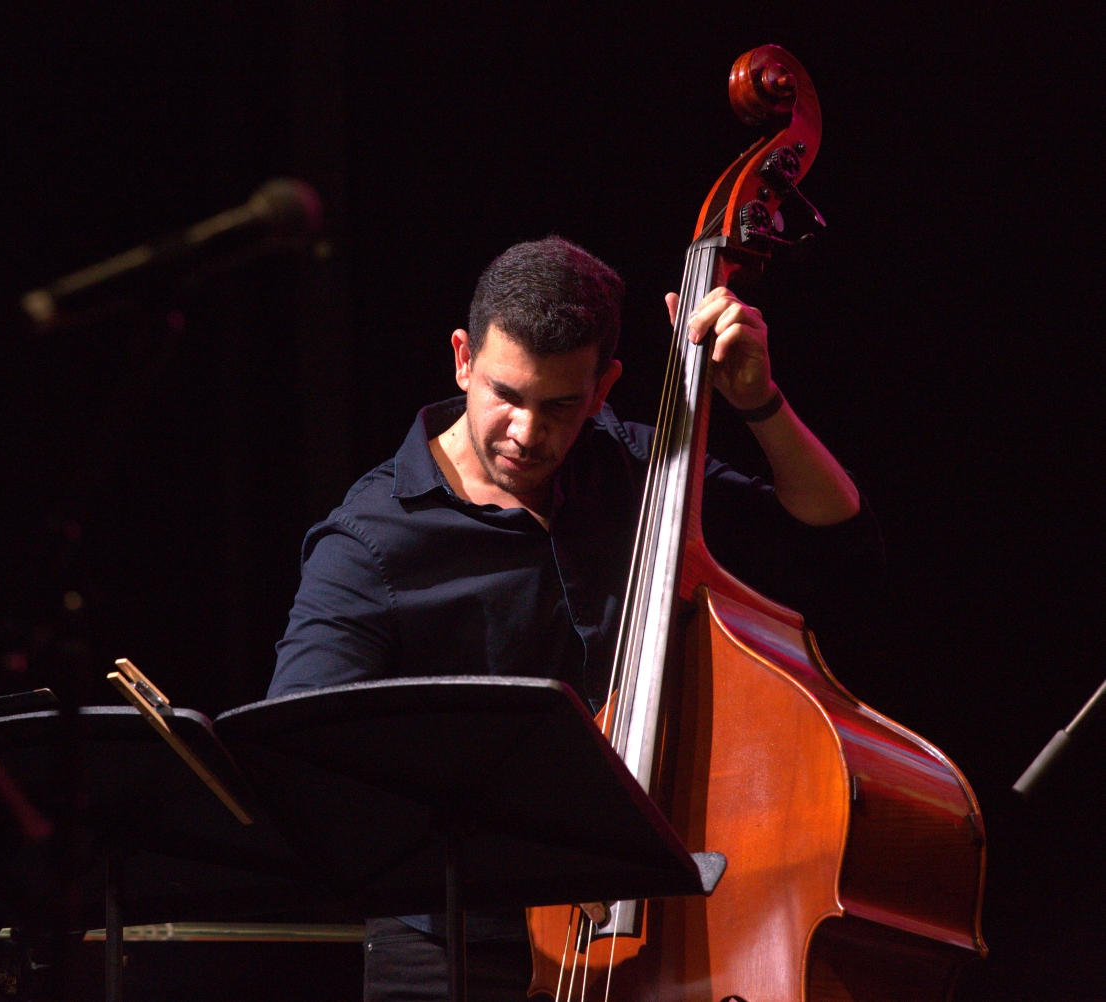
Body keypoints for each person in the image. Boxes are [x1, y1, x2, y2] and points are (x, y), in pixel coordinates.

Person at [266, 236, 882, 1002]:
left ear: (603, 387)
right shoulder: (371, 541)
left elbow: (833, 528)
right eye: (506, 397)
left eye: (560, 405)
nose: (527, 433)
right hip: (457, 949)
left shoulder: (631, 468)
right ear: (463, 359)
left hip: (648, 933)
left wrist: (758, 401)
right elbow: (296, 748)